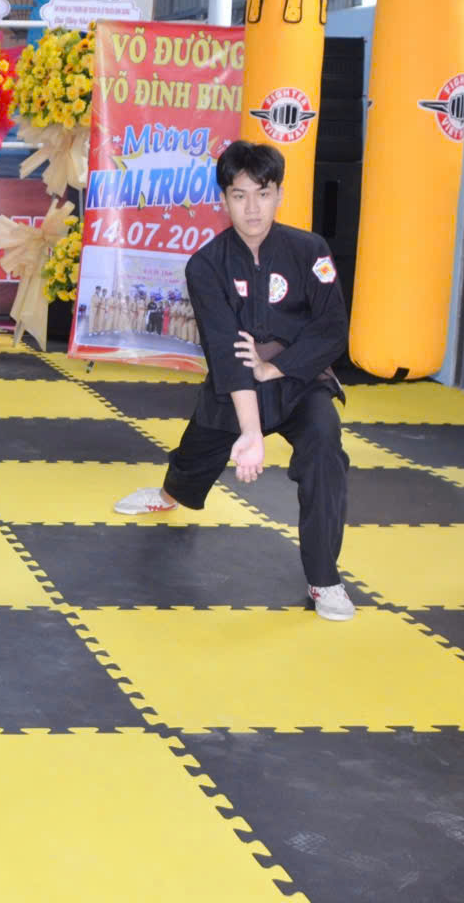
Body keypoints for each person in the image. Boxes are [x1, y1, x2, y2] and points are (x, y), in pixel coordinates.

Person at [113, 141, 354, 621]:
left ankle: (325, 579)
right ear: (224, 199)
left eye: (263, 194)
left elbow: (331, 330)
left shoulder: (310, 251)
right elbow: (225, 351)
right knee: (197, 450)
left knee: (325, 447)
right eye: (240, 195)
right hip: (237, 385)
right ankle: (169, 496)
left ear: (279, 194)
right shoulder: (206, 265)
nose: (252, 208)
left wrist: (275, 367)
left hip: (300, 381)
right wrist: (250, 430)